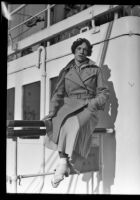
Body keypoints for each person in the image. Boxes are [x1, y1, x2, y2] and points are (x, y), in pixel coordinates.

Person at [43, 38, 109, 188]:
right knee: (56, 121)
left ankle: (64, 163)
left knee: (73, 124)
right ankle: (64, 162)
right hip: (69, 105)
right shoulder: (66, 71)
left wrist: (93, 104)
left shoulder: (95, 70)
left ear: (88, 53)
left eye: (85, 50)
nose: (82, 52)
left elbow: (104, 92)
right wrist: (52, 112)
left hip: (88, 106)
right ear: (74, 50)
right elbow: (58, 93)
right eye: (79, 48)